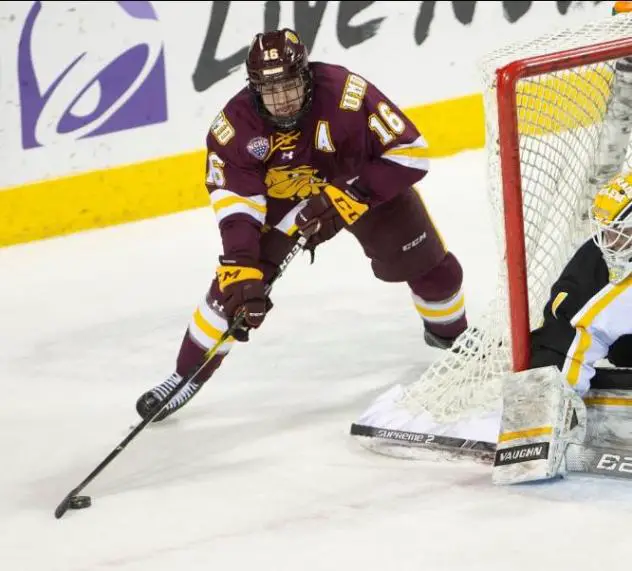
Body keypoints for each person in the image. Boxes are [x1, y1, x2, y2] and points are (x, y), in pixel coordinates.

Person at [135, 28, 469, 422]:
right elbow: (237, 203)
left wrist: (351, 197)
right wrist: (242, 260)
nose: (282, 100)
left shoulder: (347, 93)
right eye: (269, 90)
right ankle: (184, 376)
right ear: (253, 88)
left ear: (306, 75)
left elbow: (410, 153)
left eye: (290, 86)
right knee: (235, 288)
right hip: (288, 202)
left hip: (360, 185)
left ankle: (454, 339)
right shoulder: (235, 127)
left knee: (432, 269)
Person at [530, 170, 632, 397]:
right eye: (606, 232)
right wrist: (552, 404)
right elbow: (563, 347)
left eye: (621, 233)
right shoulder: (597, 277)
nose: (610, 244)